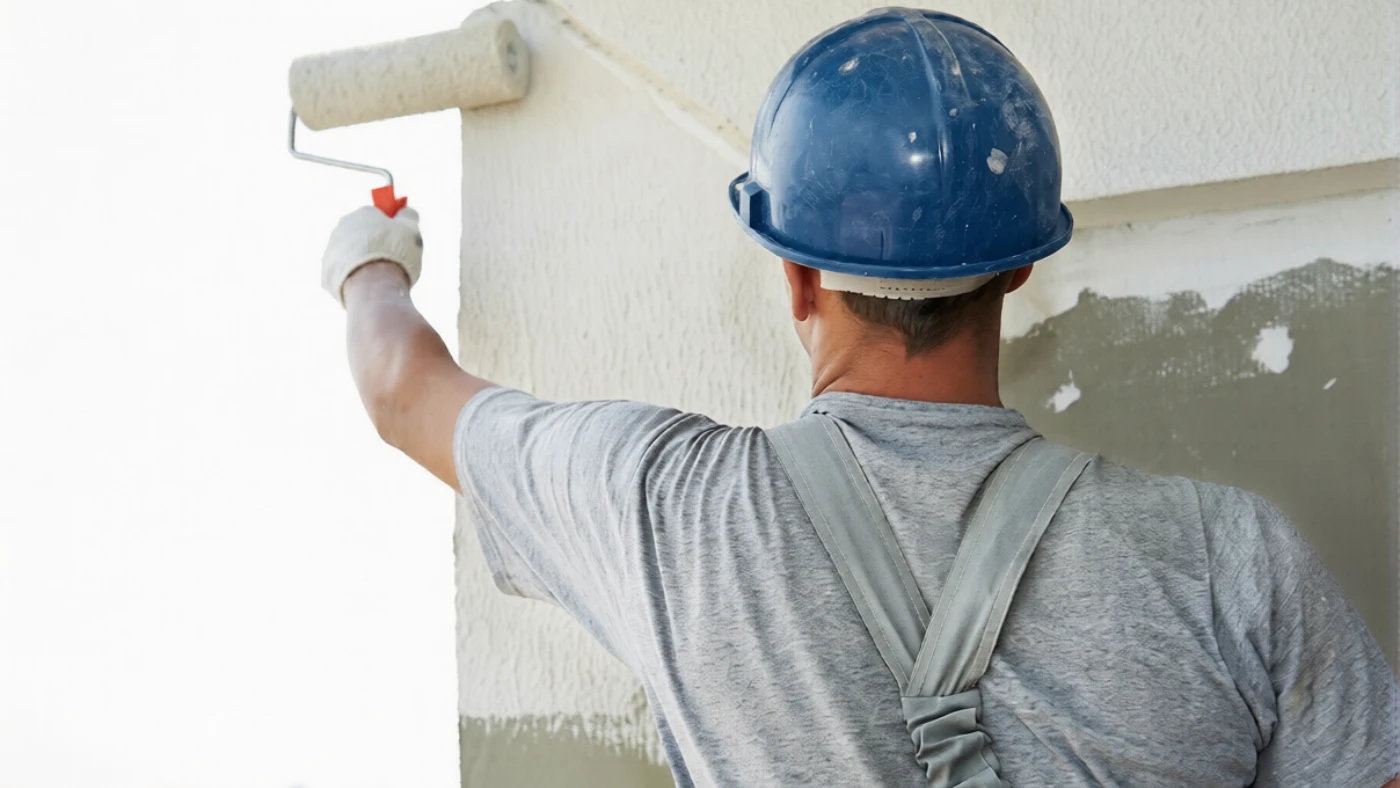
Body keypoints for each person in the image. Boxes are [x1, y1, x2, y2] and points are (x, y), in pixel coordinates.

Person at [315, 8, 1398, 787]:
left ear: (793, 272)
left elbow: (403, 390)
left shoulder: (667, 510)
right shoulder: (1230, 557)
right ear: (1019, 264)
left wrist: (372, 261)